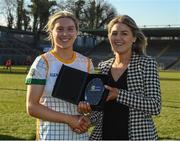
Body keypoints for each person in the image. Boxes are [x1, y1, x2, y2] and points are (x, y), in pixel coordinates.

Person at [78, 15, 161, 140]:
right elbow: (101, 110)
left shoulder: (146, 63)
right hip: (104, 135)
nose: (118, 38)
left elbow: (155, 106)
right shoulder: (104, 67)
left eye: (124, 33)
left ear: (134, 38)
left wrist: (118, 94)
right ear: (109, 37)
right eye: (114, 33)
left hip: (138, 137)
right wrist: (88, 118)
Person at [25, 11, 94, 140]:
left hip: (80, 135)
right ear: (51, 32)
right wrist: (69, 119)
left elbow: (89, 105)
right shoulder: (43, 61)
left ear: (76, 32)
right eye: (60, 29)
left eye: (70, 29)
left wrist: (87, 111)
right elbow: (32, 107)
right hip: (50, 135)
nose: (65, 34)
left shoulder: (86, 62)